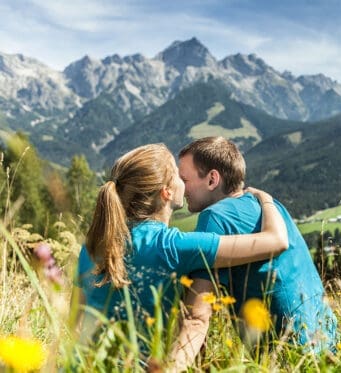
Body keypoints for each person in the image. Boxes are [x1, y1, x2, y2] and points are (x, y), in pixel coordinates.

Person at [73, 143, 288, 365]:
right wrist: (265, 199)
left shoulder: (93, 245)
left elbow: (74, 322)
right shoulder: (173, 246)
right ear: (166, 192)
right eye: (177, 175)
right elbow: (276, 240)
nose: (183, 181)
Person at [176, 136, 337, 359]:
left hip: (284, 358)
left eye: (184, 179)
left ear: (212, 179)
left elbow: (197, 313)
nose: (180, 188)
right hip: (328, 343)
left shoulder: (214, 217)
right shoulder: (270, 206)